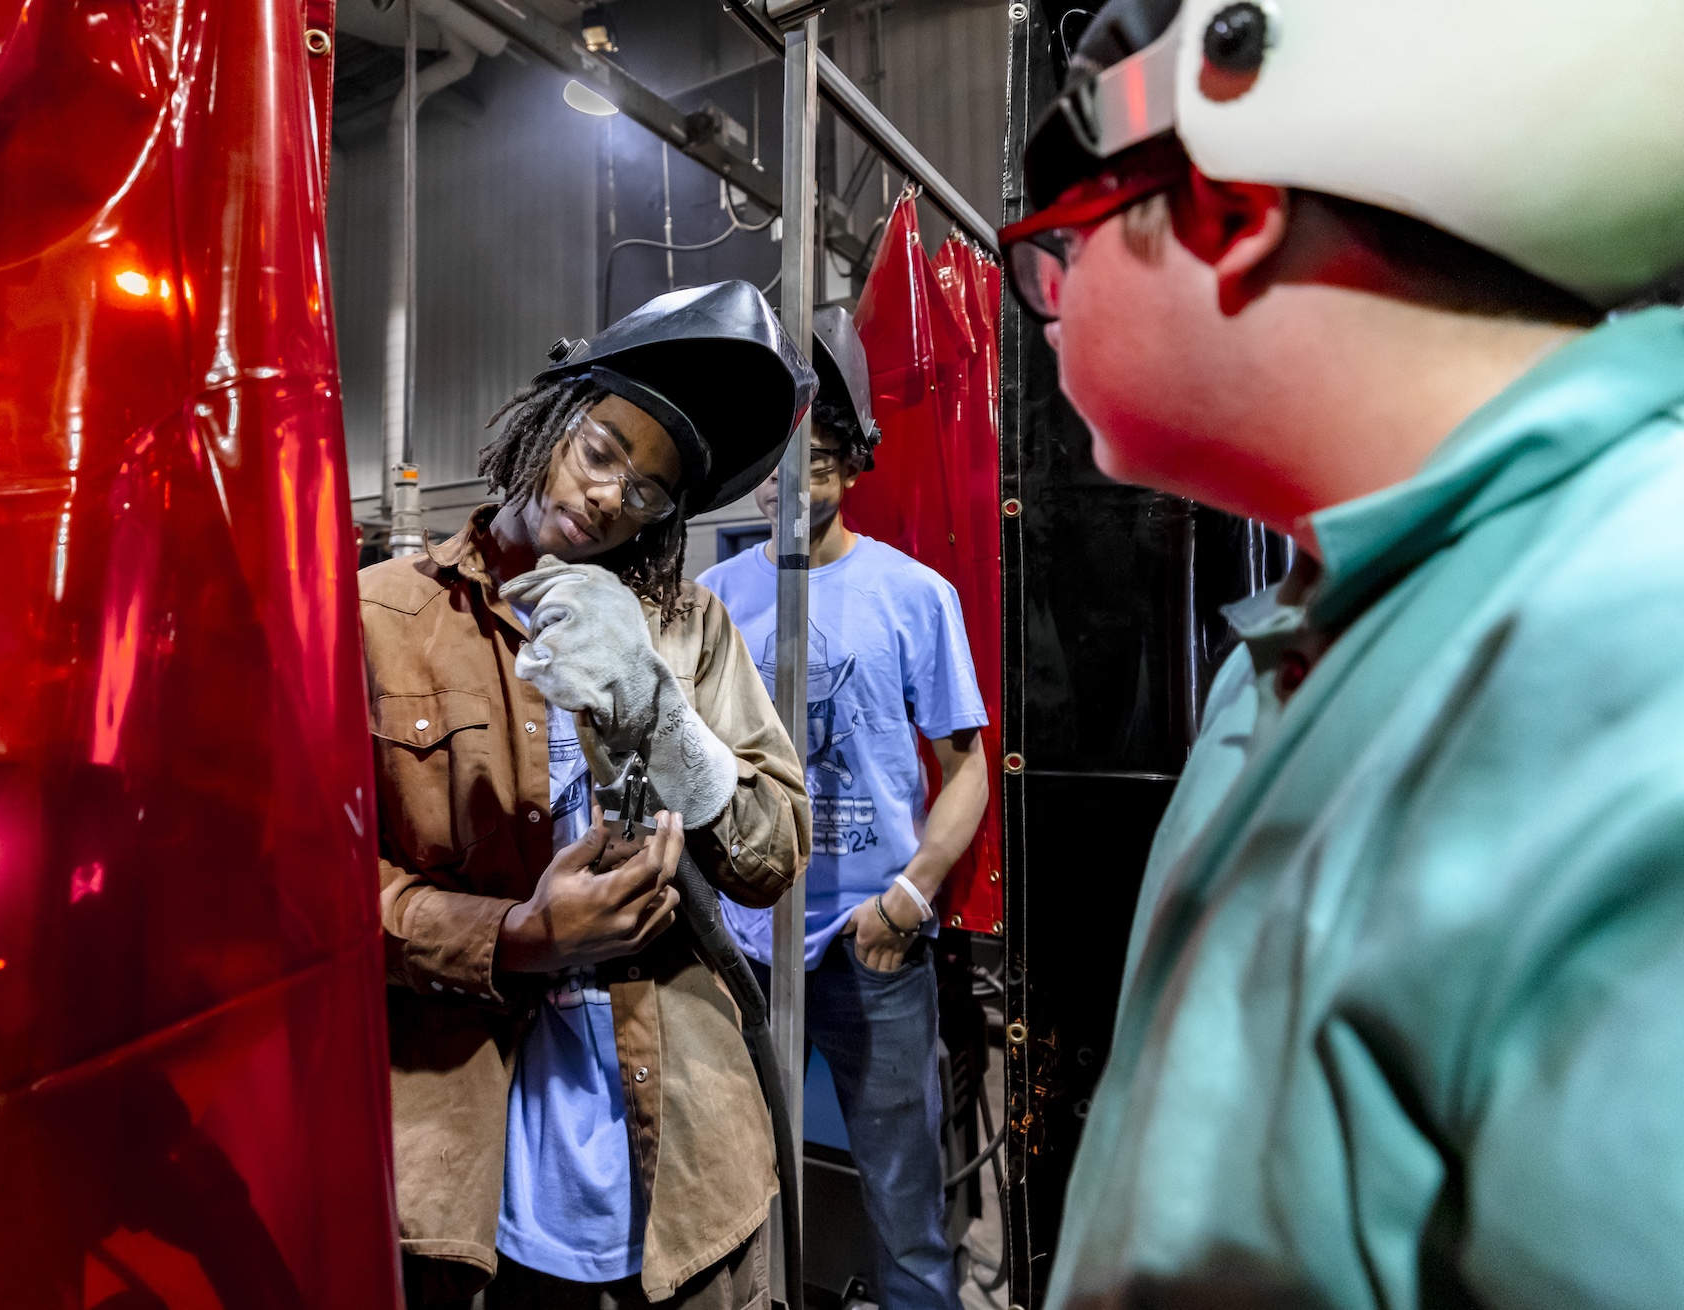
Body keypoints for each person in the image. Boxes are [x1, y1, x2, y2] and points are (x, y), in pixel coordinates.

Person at [998, 0, 1684, 1306]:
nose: (1054, 298)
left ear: (1235, 208)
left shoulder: (1637, 646)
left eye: (1065, 249)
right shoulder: (1310, 646)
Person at [361, 280, 815, 1310]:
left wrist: (663, 715)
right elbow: (307, 889)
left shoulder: (691, 631)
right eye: (604, 450)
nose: (613, 496)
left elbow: (773, 848)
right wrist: (515, 934)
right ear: (552, 419)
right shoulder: (381, 618)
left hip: (685, 1161)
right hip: (463, 1173)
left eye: (649, 492)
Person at [699, 306, 991, 1310]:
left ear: (852, 465)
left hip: (869, 948)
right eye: (780, 462)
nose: (795, 484)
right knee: (733, 1191)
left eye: (818, 461)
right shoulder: (713, 597)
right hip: (742, 947)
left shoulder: (913, 595)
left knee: (906, 1212)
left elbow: (969, 766)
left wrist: (906, 899)